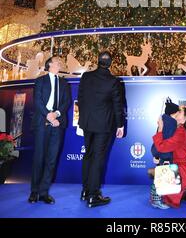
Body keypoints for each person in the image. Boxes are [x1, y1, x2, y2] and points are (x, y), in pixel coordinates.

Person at [78, 51, 125, 208]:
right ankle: (93, 196)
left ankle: (85, 191)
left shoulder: (86, 77)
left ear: (98, 61)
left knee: (88, 156)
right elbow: (118, 106)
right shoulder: (113, 81)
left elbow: (81, 99)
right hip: (103, 125)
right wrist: (120, 125)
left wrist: (82, 120)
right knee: (98, 159)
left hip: (87, 124)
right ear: (110, 64)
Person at [29, 56, 71, 204]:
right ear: (50, 65)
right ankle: (34, 191)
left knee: (51, 160)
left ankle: (44, 192)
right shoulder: (40, 81)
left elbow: (66, 102)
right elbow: (37, 101)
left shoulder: (64, 83)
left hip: (58, 124)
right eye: (57, 62)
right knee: (39, 158)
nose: (59, 63)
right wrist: (48, 116)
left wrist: (56, 114)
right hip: (42, 123)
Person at [152, 106, 186, 208]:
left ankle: (185, 191)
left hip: (181, 172)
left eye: (179, 112)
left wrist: (160, 129)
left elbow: (162, 147)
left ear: (184, 119)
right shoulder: (181, 130)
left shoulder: (181, 132)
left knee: (158, 178)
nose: (176, 112)